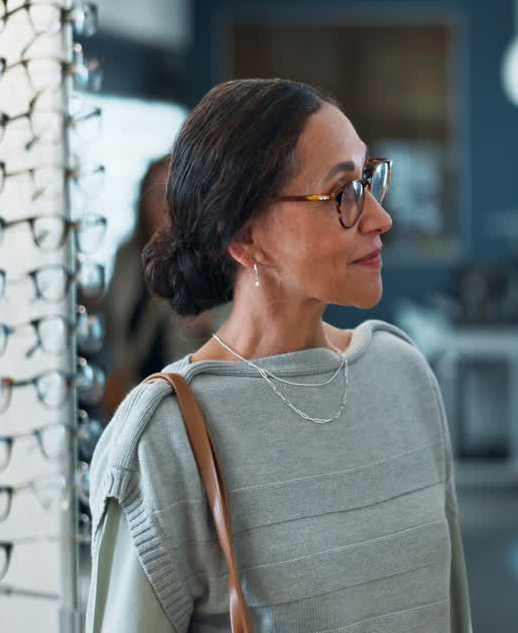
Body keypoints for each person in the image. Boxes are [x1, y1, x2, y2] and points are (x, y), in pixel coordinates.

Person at [86, 79, 471, 632]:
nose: (380, 217)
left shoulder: (401, 371)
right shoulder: (162, 437)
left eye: (368, 179)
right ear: (243, 237)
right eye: (342, 193)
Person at [96, 155, 218, 420]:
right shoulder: (127, 255)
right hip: (131, 392)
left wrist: (207, 324)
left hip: (187, 396)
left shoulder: (210, 259)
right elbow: (114, 324)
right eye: (156, 195)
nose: (163, 206)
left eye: (169, 195)